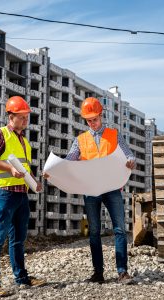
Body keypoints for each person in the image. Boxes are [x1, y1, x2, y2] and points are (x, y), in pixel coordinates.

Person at [44, 97, 135, 284]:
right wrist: (53, 172)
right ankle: (98, 273)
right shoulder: (80, 140)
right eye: (88, 120)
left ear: (101, 115)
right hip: (91, 190)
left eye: (94, 119)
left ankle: (122, 272)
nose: (92, 123)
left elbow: (129, 154)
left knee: (119, 229)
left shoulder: (114, 135)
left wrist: (131, 161)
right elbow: (68, 163)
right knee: (93, 231)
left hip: (112, 187)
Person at [0, 96, 45, 295]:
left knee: (18, 239)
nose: (26, 120)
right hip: (3, 193)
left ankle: (22, 278)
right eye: (22, 117)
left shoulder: (25, 141)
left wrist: (35, 181)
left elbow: (24, 167)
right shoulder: (0, 134)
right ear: (11, 116)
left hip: (21, 195)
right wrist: (9, 168)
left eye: (27, 117)